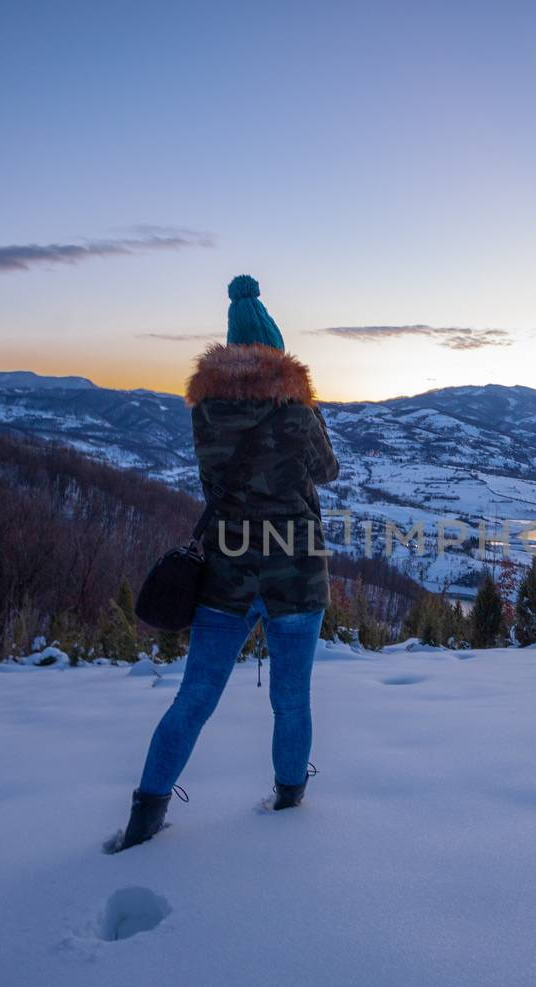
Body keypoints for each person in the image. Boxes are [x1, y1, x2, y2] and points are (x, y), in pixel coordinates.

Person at [117, 275, 340, 851]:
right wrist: (308, 413)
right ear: (278, 352)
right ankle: (289, 798)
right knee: (291, 700)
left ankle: (146, 814)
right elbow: (325, 472)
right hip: (295, 570)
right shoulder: (297, 412)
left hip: (226, 572)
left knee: (193, 698)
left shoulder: (206, 412)